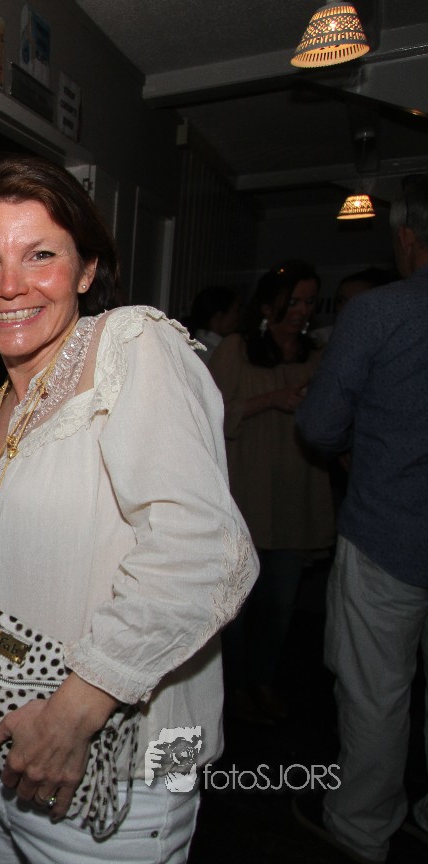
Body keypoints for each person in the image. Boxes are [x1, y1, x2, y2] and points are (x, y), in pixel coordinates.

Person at [0, 155, 256, 863]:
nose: (9, 286)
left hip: (119, 773)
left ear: (86, 270)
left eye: (40, 255)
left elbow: (206, 551)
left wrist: (74, 714)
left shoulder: (132, 346)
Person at [293, 175, 428, 864]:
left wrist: (356, 445)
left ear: (407, 237)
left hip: (389, 532)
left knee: (375, 691)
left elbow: (319, 425)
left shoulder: (382, 312)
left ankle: (361, 825)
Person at [207, 259, 334, 723]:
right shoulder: (237, 349)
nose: (302, 311)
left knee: (280, 605)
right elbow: (210, 412)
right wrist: (271, 401)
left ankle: (263, 681)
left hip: (296, 494)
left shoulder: (317, 354)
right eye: (293, 301)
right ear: (268, 305)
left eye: (309, 302)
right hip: (246, 492)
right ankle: (235, 687)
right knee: (235, 605)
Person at [182, 284, 241, 365]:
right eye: (235, 312)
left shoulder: (189, 346)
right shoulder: (217, 354)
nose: (238, 317)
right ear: (219, 316)